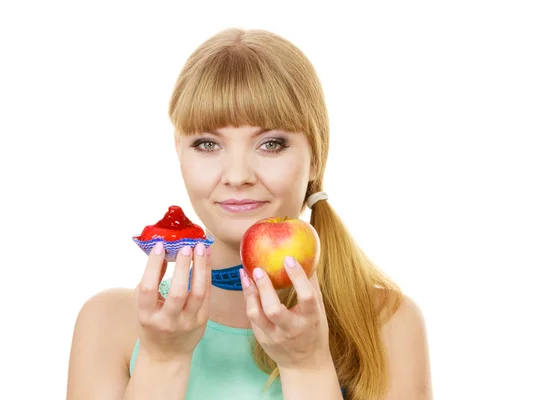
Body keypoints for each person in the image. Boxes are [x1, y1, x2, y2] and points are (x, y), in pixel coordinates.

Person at [66, 28, 432, 400]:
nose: (238, 176)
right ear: (179, 152)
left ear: (316, 156)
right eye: (207, 144)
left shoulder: (388, 324)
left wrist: (306, 366)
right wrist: (163, 361)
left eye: (271, 144)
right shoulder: (109, 324)